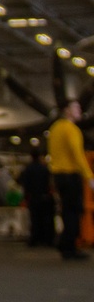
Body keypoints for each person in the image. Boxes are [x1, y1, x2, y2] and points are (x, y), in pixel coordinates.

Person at [48, 100, 93, 261]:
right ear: (67, 110)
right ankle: (70, 246)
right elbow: (77, 154)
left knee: (66, 210)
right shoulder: (72, 129)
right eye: (76, 107)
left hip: (58, 176)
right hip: (71, 175)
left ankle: (64, 244)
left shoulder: (55, 128)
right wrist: (89, 177)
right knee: (75, 211)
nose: (80, 110)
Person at [20, 147, 56, 248]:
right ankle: (47, 239)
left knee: (34, 219)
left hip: (33, 197)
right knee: (46, 219)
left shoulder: (28, 169)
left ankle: (35, 239)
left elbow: (25, 184)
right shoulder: (45, 168)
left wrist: (26, 197)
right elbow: (49, 184)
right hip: (44, 197)